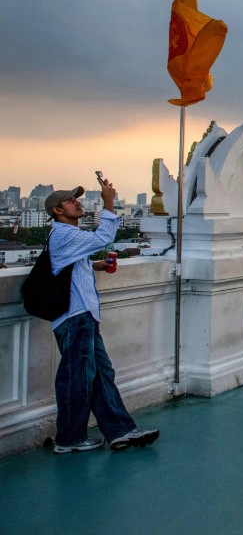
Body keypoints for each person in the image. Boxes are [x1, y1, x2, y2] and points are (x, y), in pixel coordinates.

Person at [46, 178, 159, 454]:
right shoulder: (62, 233)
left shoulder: (66, 235)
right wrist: (109, 201)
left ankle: (120, 431)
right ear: (58, 211)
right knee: (77, 376)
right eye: (70, 201)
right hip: (75, 316)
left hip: (83, 315)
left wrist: (95, 264)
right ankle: (69, 438)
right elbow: (104, 237)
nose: (77, 202)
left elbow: (72, 263)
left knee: (100, 374)